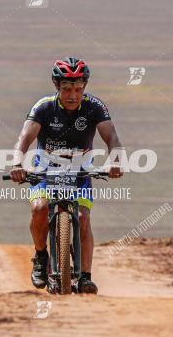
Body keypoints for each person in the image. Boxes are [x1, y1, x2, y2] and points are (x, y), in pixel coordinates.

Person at [9, 57, 124, 294]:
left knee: (82, 218)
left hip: (80, 172)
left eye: (78, 89)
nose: (73, 95)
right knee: (40, 208)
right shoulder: (44, 107)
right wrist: (16, 164)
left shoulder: (94, 107)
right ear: (57, 87)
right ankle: (41, 257)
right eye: (67, 89)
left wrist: (116, 161)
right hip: (45, 171)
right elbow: (24, 138)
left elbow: (111, 136)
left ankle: (85, 277)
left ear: (84, 87)